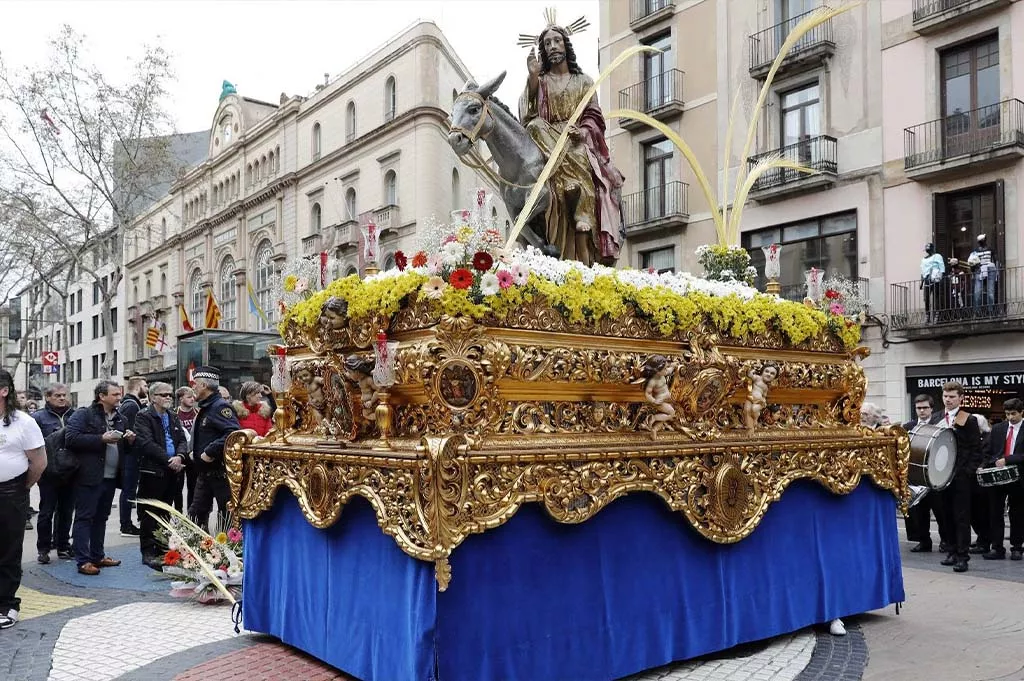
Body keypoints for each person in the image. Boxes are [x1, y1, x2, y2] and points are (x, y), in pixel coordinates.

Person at [519, 16, 625, 267]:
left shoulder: (585, 81)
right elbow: (528, 116)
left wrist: (584, 131)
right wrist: (533, 79)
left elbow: (595, 116)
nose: (552, 46)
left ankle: (582, 213)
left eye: (557, 41)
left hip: (575, 139)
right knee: (534, 127)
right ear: (543, 50)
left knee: (579, 155)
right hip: (547, 137)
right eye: (547, 43)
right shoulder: (542, 81)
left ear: (566, 45)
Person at [66, 381, 134, 576]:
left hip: (111, 477)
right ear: (101, 396)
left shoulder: (120, 418)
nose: (119, 398)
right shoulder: (84, 414)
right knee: (84, 517)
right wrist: (100, 439)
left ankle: (97, 555)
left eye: (119, 394)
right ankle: (83, 560)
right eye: (114, 395)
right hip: (89, 476)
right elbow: (70, 439)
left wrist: (129, 440)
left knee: (101, 518)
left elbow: (126, 450)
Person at [0, 370, 47, 630]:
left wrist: (19, 488)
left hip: (10, 492)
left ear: (4, 391)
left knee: (8, 549)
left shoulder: (23, 422)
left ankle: (7, 604)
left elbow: (39, 463)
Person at [132, 382, 187, 569]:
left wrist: (179, 456)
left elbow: (181, 440)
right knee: (150, 513)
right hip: (153, 471)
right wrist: (169, 460)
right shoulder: (143, 416)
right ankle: (148, 552)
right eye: (164, 395)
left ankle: (163, 548)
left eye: (170, 395)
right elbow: (146, 443)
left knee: (165, 512)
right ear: (153, 397)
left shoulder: (172, 416)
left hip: (173, 470)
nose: (168, 398)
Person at [936, 381, 983, 573]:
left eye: (952, 397)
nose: (948, 400)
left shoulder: (968, 419)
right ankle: (952, 551)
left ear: (961, 398)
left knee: (961, 518)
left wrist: (967, 471)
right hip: (941, 476)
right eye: (946, 396)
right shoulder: (937, 417)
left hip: (960, 476)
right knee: (946, 516)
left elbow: (976, 449)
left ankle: (963, 556)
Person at [188, 367, 240, 532]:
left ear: (203, 385)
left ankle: (227, 553)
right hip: (205, 474)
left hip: (221, 474)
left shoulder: (219, 407)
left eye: (195, 384)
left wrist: (210, 451)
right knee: (196, 514)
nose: (193, 388)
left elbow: (233, 434)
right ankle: (199, 551)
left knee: (226, 517)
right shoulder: (206, 406)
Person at [31, 384, 75, 564]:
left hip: (71, 471)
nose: (62, 398)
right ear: (47, 397)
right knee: (46, 512)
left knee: (66, 511)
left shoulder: (74, 415)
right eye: (57, 395)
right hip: (48, 473)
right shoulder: (38, 418)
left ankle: (63, 545)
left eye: (64, 395)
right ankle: (43, 548)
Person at [903, 394, 951, 554]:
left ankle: (945, 541)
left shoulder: (939, 425)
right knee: (919, 512)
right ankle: (924, 541)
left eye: (925, 408)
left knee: (941, 512)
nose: (922, 411)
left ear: (931, 409)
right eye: (919, 408)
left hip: (935, 476)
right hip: (916, 478)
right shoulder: (908, 427)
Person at [985, 398, 1024, 561]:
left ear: (1022, 412)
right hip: (998, 476)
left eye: (1013, 414)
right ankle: (997, 547)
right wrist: (985, 464)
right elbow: (988, 450)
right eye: (1007, 414)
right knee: (995, 513)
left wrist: (1008, 459)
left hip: (1019, 477)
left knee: (1017, 513)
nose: (1010, 418)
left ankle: (1016, 547)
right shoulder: (998, 428)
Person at [117, 376, 148, 537]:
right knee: (129, 490)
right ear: (137, 387)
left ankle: (127, 523)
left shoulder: (131, 404)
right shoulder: (131, 406)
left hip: (130, 454)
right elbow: (129, 431)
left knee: (129, 490)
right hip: (130, 455)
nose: (147, 388)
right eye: (145, 385)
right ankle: (126, 525)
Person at [175, 386, 199, 513]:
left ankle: (191, 514)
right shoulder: (174, 413)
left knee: (193, 487)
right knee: (177, 488)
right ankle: (178, 514)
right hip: (180, 453)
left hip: (193, 454)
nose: (192, 399)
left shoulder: (198, 413)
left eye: (193, 396)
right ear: (181, 399)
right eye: (189, 397)